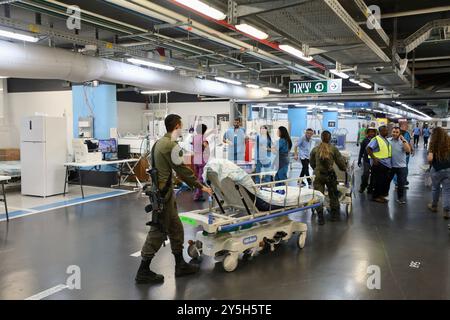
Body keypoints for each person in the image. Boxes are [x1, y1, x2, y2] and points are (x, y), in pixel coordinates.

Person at [136, 114, 212, 284]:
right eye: (181, 126)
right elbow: (182, 170)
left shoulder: (158, 143)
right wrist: (201, 186)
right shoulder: (171, 145)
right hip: (164, 197)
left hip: (163, 194)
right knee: (158, 231)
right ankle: (143, 270)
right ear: (177, 125)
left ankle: (180, 265)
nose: (182, 129)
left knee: (176, 229)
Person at [310, 130, 347, 224]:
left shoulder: (315, 149)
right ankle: (334, 216)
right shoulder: (333, 149)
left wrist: (317, 169)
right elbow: (340, 163)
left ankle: (320, 217)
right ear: (330, 138)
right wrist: (344, 168)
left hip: (318, 175)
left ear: (321, 138)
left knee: (319, 195)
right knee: (333, 195)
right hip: (330, 175)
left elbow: (312, 163)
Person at [427, 127, 450, 219]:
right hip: (448, 169)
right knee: (447, 190)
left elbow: (430, 159)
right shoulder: (448, 142)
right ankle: (446, 211)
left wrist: (430, 163)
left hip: (436, 169)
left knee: (435, 188)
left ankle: (434, 206)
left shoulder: (433, 144)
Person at [366, 125, 392, 203]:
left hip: (385, 164)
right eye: (384, 130)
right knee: (378, 181)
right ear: (380, 131)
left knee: (383, 181)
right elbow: (368, 148)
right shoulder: (377, 139)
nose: (386, 132)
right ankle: (375, 197)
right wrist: (374, 158)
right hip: (379, 164)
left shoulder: (385, 139)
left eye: (387, 130)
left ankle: (380, 195)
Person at [389, 127, 411, 204]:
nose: (394, 133)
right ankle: (384, 195)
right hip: (391, 166)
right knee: (386, 181)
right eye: (393, 132)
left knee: (401, 183)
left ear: (399, 134)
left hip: (402, 166)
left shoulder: (403, 142)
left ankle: (400, 198)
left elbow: (408, 150)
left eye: (397, 132)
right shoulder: (388, 140)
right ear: (391, 132)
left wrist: (403, 140)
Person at [393, 121, 414, 187]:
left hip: (406, 154)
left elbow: (408, 142)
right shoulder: (397, 133)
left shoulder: (407, 133)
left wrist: (412, 149)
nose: (407, 126)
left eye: (407, 125)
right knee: (398, 168)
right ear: (401, 126)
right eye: (406, 125)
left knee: (405, 168)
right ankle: (397, 182)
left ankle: (404, 180)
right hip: (399, 154)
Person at [193, 123, 210, 201]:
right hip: (201, 159)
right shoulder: (203, 137)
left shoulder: (194, 137)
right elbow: (206, 146)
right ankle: (198, 195)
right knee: (201, 179)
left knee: (197, 178)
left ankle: (197, 193)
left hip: (195, 158)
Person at [358, 126, 377, 193]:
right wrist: (359, 160)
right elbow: (361, 151)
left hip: (375, 161)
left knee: (374, 175)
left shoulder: (377, 140)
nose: (371, 133)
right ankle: (363, 187)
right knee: (365, 174)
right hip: (366, 160)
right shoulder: (365, 141)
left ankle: (370, 188)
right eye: (370, 132)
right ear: (367, 133)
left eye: (373, 132)